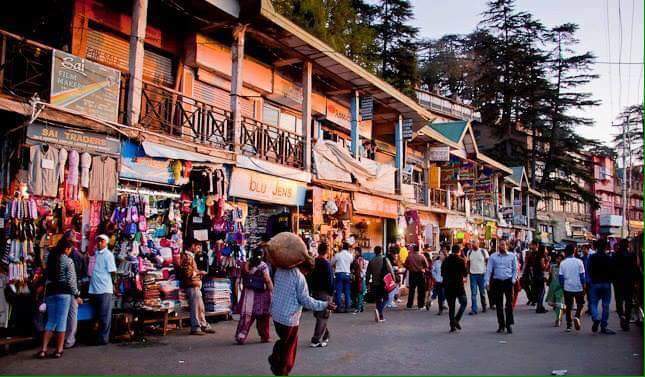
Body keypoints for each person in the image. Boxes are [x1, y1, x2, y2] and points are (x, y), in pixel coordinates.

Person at [268, 258, 336, 376]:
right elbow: (306, 301)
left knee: (284, 341)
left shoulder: (281, 270)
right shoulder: (299, 278)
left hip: (276, 314)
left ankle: (276, 361)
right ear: (305, 269)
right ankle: (281, 369)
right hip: (289, 318)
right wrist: (325, 304)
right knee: (289, 347)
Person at [36, 239, 82, 359]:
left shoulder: (50, 259)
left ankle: (43, 350)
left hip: (51, 293)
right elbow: (71, 281)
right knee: (61, 321)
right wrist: (76, 294)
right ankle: (59, 350)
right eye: (70, 249)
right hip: (64, 293)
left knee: (51, 320)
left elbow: (46, 277)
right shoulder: (68, 260)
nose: (70, 251)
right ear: (66, 249)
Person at [235, 247, 273, 344]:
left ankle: (241, 336)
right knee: (263, 316)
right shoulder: (263, 265)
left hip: (248, 293)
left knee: (247, 316)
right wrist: (272, 291)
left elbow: (238, 280)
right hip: (261, 294)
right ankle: (265, 336)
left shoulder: (245, 264)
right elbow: (267, 280)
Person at [178, 240, 215, 335]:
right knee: (195, 306)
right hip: (191, 285)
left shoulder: (190, 257)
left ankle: (203, 324)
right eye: (197, 246)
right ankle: (196, 326)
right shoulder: (187, 257)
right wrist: (199, 272)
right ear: (192, 246)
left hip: (194, 284)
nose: (199, 249)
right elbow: (187, 273)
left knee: (200, 306)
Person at [89, 234, 117, 345]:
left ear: (106, 242)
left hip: (105, 289)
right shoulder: (95, 254)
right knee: (96, 315)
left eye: (102, 241)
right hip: (94, 289)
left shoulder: (108, 255)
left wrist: (114, 284)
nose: (99, 243)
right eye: (98, 241)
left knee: (105, 316)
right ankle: (97, 337)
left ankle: (103, 339)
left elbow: (113, 271)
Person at [485, 240, 518, 334]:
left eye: (503, 245)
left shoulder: (512, 256)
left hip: (508, 281)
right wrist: (487, 282)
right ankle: (501, 325)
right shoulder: (493, 257)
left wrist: (513, 280)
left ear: (506, 246)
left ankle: (509, 324)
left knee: (509, 304)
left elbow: (515, 269)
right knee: (499, 304)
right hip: (497, 281)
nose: (501, 247)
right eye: (500, 245)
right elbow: (489, 270)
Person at [63, 230, 86, 349]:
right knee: (70, 314)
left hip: (71, 288)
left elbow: (75, 275)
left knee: (69, 314)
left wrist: (76, 293)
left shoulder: (73, 255)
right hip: (72, 288)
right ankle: (68, 339)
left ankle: (68, 340)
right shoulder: (75, 255)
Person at [587, 239, 615, 334]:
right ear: (605, 247)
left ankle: (596, 317)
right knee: (605, 306)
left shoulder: (592, 257)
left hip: (595, 283)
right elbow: (612, 271)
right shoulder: (609, 258)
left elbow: (588, 270)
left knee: (593, 303)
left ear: (595, 247)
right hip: (606, 284)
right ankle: (604, 327)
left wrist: (590, 281)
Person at [309, 243, 334, 347]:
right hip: (324, 292)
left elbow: (309, 277)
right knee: (323, 316)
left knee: (320, 314)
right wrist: (332, 293)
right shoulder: (326, 264)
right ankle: (316, 339)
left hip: (315, 292)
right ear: (327, 251)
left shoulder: (314, 262)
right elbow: (330, 280)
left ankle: (325, 334)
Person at [613, 239, 639, 331]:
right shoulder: (632, 255)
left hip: (618, 282)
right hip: (629, 282)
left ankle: (621, 315)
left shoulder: (616, 255)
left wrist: (613, 280)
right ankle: (627, 320)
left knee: (619, 300)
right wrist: (636, 280)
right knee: (629, 301)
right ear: (627, 246)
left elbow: (613, 268)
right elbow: (636, 268)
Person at [559, 244, 586, 332]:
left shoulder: (563, 263)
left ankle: (569, 325)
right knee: (580, 304)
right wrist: (584, 286)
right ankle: (577, 316)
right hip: (578, 287)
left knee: (568, 307)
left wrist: (563, 287)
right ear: (574, 251)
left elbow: (561, 278)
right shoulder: (579, 262)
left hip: (567, 288)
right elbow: (582, 276)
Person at [442, 245, 468, 332]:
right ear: (459, 251)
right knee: (464, 302)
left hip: (448, 286)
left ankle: (452, 325)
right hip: (458, 286)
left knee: (451, 307)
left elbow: (442, 273)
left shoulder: (446, 260)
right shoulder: (461, 260)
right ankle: (456, 319)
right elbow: (465, 273)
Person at [366, 246, 394, 322]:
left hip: (375, 283)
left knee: (378, 300)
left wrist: (367, 283)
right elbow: (390, 270)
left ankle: (380, 316)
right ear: (381, 251)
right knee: (386, 298)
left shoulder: (371, 261)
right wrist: (393, 279)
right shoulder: (385, 259)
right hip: (383, 283)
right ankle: (379, 311)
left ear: (374, 252)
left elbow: (368, 273)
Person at [466, 240, 489, 315]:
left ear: (478, 244)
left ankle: (484, 306)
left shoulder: (483, 251)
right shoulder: (469, 252)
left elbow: (487, 261)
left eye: (474, 243)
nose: (472, 245)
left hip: (482, 274)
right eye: (472, 244)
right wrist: (468, 272)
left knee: (482, 292)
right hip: (473, 275)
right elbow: (468, 262)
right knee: (473, 293)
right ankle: (474, 309)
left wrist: (488, 273)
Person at [330, 242, 353, 313]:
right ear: (348, 248)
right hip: (347, 274)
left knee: (339, 291)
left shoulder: (338, 255)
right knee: (347, 291)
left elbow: (331, 263)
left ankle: (339, 307)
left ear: (342, 247)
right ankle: (347, 307)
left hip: (339, 274)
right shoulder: (350, 255)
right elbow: (351, 262)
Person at [404, 245, 429, 310]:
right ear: (419, 249)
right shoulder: (422, 256)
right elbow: (426, 265)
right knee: (421, 290)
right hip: (420, 274)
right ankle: (420, 305)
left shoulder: (409, 256)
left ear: (413, 250)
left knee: (411, 290)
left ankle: (409, 305)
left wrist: (409, 268)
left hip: (412, 274)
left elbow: (405, 264)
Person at [546, 252, 565, 327]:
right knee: (551, 303)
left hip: (560, 287)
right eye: (558, 258)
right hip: (552, 287)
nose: (559, 260)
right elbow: (550, 275)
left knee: (559, 303)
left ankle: (558, 319)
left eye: (560, 259)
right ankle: (563, 308)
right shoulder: (553, 266)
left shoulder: (564, 268)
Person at [532, 243, 550, 313]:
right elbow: (543, 268)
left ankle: (541, 306)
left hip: (536, 276)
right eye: (545, 249)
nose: (546, 250)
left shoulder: (538, 256)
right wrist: (548, 261)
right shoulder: (541, 257)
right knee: (541, 292)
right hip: (539, 276)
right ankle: (539, 308)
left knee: (541, 292)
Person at [350, 247, 367, 313]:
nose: (354, 253)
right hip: (359, 277)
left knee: (359, 292)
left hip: (359, 277)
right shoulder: (357, 259)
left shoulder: (359, 259)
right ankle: (361, 306)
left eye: (355, 251)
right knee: (359, 292)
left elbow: (360, 268)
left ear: (358, 252)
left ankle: (359, 307)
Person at [431, 250, 447, 315]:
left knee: (445, 294)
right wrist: (435, 276)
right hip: (439, 281)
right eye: (440, 254)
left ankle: (445, 305)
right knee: (440, 295)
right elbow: (433, 270)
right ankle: (440, 309)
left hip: (446, 281)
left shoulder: (448, 262)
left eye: (442, 254)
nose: (441, 255)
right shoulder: (436, 262)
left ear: (445, 255)